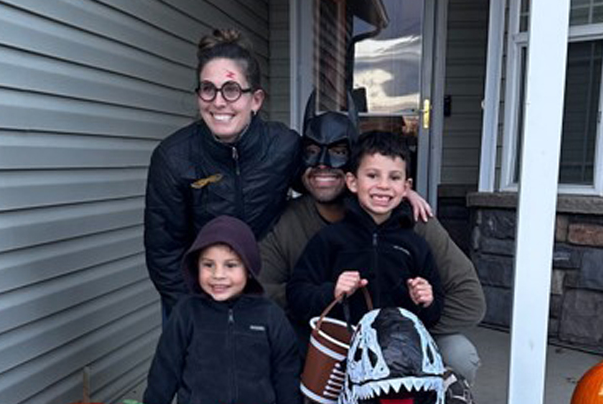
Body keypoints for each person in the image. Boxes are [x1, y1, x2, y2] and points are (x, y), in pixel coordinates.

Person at [260, 109, 485, 383]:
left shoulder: (412, 219)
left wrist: (404, 324)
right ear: (357, 180)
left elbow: (469, 299)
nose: (323, 165)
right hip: (329, 335)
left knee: (459, 354)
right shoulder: (293, 221)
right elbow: (264, 291)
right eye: (312, 151)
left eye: (338, 151)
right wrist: (331, 306)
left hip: (404, 337)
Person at [144, 28, 302, 317]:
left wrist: (395, 189)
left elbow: (327, 180)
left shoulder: (282, 146)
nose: (218, 102)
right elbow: (164, 252)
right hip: (196, 298)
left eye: (231, 90)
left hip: (264, 296)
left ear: (255, 100)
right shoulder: (173, 158)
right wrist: (194, 315)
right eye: (208, 89)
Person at [143, 215, 301, 404]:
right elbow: (164, 370)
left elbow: (286, 372)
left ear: (249, 267)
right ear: (196, 265)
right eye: (208, 265)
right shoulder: (187, 313)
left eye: (231, 265)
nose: (218, 275)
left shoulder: (270, 315)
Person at [286, 131, 444, 329]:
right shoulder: (330, 239)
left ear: (406, 187)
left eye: (394, 177)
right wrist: (332, 292)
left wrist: (425, 301)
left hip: (396, 350)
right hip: (342, 346)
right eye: (372, 176)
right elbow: (297, 295)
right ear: (352, 182)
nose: (383, 186)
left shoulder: (416, 245)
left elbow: (434, 311)